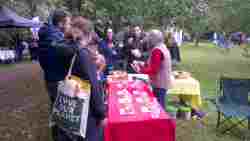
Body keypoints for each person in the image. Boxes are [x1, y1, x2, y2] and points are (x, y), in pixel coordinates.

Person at [37, 10, 72, 141]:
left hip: (51, 78)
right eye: (68, 23)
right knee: (61, 114)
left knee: (55, 110)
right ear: (61, 23)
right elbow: (65, 52)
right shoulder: (54, 37)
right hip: (57, 80)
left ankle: (57, 136)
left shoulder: (48, 34)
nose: (69, 26)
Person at [131, 29, 172, 108]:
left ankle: (161, 120)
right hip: (162, 82)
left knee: (159, 106)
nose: (148, 40)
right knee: (158, 103)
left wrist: (139, 70)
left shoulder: (157, 50)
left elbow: (153, 70)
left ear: (154, 39)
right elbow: (155, 64)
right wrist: (142, 63)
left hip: (160, 83)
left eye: (149, 38)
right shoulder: (162, 47)